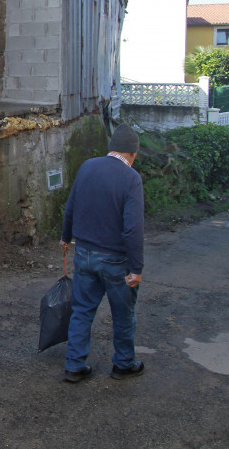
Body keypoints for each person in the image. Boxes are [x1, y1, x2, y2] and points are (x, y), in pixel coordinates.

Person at [59, 123, 145, 382]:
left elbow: (71, 206)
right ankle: (123, 364)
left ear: (111, 148)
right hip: (115, 260)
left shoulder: (88, 167)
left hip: (84, 253)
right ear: (133, 154)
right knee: (123, 314)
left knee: (82, 310)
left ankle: (74, 366)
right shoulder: (131, 178)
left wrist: (65, 237)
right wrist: (136, 268)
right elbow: (132, 229)